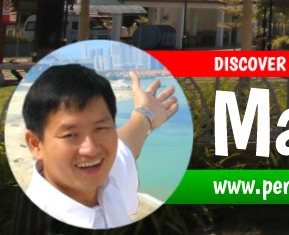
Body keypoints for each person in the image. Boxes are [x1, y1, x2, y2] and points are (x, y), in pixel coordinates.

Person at [21, 63, 179, 229]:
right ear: (35, 144)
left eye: (100, 128)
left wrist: (146, 113)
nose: (91, 149)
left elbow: (125, 146)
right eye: (70, 135)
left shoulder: (105, 178)